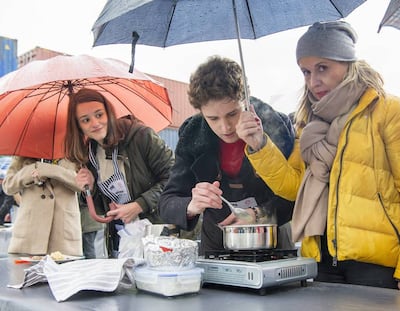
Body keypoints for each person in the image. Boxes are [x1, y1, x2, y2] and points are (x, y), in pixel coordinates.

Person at [243, 21, 400, 291]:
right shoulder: (309, 120)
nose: (313, 81)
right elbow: (293, 187)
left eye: (323, 68)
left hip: (376, 267)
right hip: (319, 260)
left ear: (347, 63)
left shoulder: (387, 110)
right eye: (306, 71)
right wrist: (259, 144)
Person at [158, 56, 296, 255]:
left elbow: (297, 195)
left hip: (271, 236)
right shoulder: (191, 134)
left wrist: (260, 214)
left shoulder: (277, 126)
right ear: (201, 113)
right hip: (216, 240)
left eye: (232, 114)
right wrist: (191, 204)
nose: (225, 127)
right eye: (213, 118)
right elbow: (167, 202)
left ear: (247, 101)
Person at [64, 88, 175, 258]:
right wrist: (91, 188)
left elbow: (174, 178)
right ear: (78, 126)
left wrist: (139, 205)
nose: (95, 123)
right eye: (85, 120)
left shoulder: (141, 136)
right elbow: (101, 208)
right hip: (122, 237)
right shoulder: (89, 155)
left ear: (108, 112)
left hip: (161, 231)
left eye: (99, 115)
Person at [2, 157, 83, 256]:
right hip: (29, 233)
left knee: (64, 269)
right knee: (23, 270)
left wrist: (51, 170)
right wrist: (31, 171)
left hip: (62, 232)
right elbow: (8, 186)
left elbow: (83, 185)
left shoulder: (72, 153)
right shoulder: (22, 156)